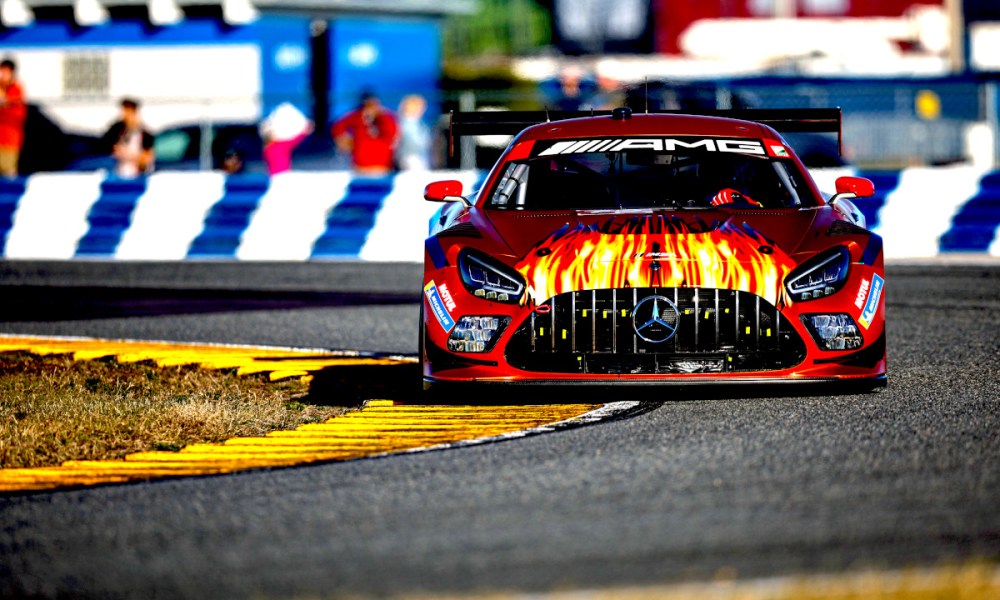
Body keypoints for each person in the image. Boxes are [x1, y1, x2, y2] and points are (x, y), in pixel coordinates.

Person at [331, 91, 398, 175]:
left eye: (372, 104)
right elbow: (337, 127)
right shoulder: (356, 116)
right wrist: (344, 141)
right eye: (367, 104)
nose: (370, 107)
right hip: (361, 165)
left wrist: (380, 116)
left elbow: (393, 133)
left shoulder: (386, 117)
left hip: (382, 165)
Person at [102, 98, 154, 177]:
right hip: (117, 175)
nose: (124, 116)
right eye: (123, 112)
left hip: (138, 176)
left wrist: (127, 156)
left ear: (134, 112)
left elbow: (146, 160)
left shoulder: (145, 134)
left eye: (127, 112)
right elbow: (111, 150)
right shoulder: (117, 129)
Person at [260, 102, 313, 176]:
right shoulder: (276, 147)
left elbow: (292, 141)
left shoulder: (269, 148)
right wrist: (304, 132)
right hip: (280, 176)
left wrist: (304, 132)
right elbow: (293, 141)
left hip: (279, 175)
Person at [0, 58, 27, 178]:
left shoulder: (16, 89)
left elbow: (17, 114)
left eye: (6, 71)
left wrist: (5, 102)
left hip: (9, 141)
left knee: (8, 171)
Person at [395, 94, 431, 170]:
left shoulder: (420, 123)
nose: (423, 109)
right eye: (420, 106)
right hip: (409, 158)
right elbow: (413, 143)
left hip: (421, 157)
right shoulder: (404, 123)